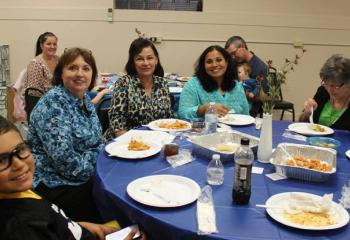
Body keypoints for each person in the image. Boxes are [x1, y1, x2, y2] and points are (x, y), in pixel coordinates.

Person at [0, 116, 122, 240]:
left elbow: (54, 223)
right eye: (1, 160)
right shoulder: (20, 228)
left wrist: (83, 226)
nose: (19, 164)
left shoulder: (17, 190)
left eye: (20, 149)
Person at [28, 47, 104, 223]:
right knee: (109, 203)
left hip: (82, 173)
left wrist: (94, 156)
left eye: (86, 68)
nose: (80, 74)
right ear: (60, 73)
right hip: (55, 184)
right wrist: (96, 169)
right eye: (72, 68)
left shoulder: (84, 99)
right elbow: (66, 163)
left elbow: (97, 141)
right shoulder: (53, 104)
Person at [104, 38, 172, 141]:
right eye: (140, 59)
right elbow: (118, 124)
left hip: (156, 141)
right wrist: (136, 146)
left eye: (150, 58)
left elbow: (167, 119)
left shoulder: (162, 83)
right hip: (126, 142)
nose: (146, 63)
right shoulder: (123, 83)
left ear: (156, 60)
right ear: (133, 62)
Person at [178, 45, 249, 120]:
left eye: (219, 60)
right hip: (204, 130)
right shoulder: (193, 84)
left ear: (227, 62)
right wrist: (203, 109)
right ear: (203, 65)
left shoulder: (237, 86)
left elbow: (246, 116)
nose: (214, 65)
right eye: (209, 62)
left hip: (236, 131)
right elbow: (183, 113)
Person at [299, 54, 350, 131]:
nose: (330, 89)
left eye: (335, 86)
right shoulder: (322, 92)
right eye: (326, 84)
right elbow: (301, 123)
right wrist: (307, 112)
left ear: (348, 84)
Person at [225, 36, 268, 117]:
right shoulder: (234, 63)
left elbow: (263, 97)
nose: (232, 57)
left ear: (242, 46)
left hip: (248, 114)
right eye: (229, 55)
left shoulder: (260, 68)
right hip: (230, 111)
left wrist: (243, 93)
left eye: (233, 53)